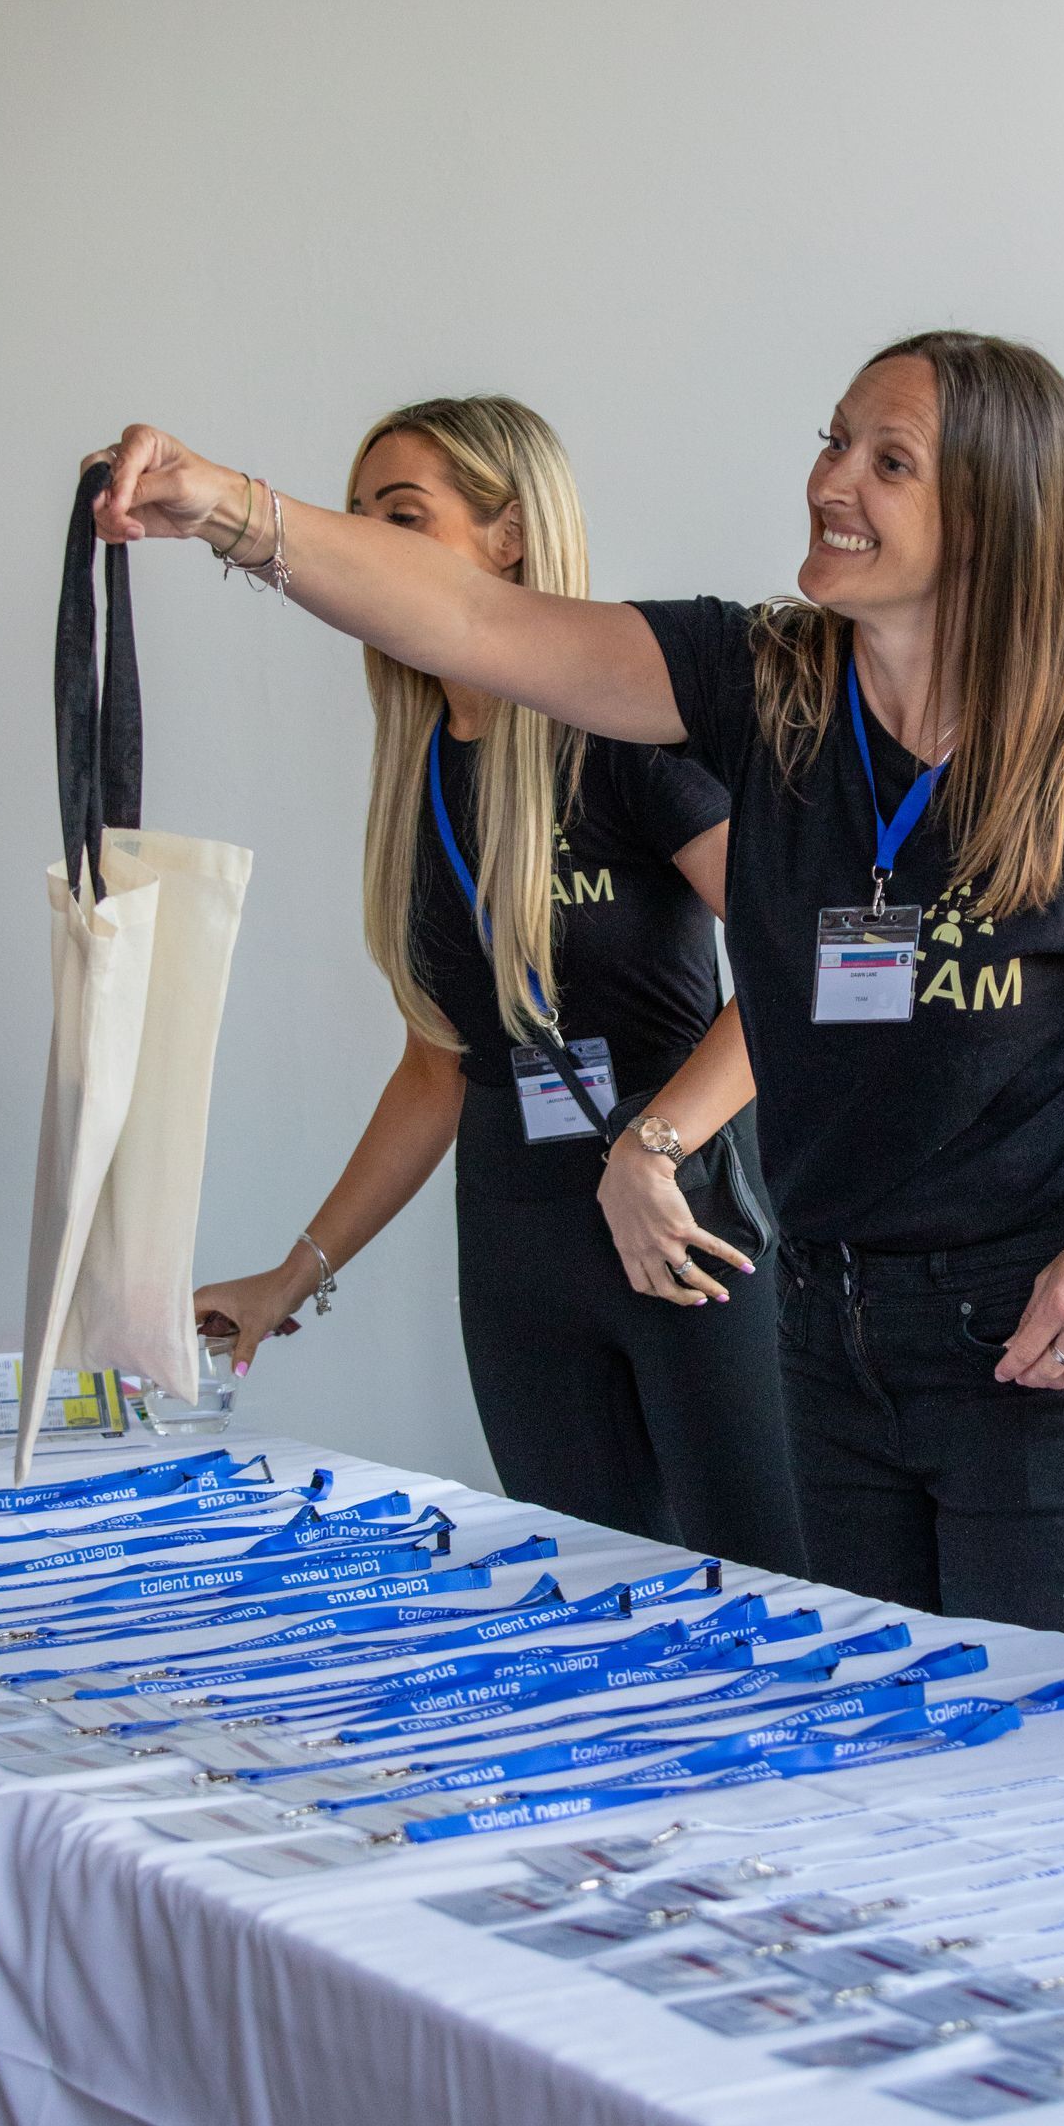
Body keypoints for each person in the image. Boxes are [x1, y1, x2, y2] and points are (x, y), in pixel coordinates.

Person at [90, 333, 1064, 1641]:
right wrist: (230, 509)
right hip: (827, 1317)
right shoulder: (759, 690)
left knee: (1018, 1740)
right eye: (834, 441)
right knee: (857, 1706)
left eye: (889, 462)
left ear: (996, 516)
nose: (834, 481)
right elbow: (478, 621)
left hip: (1031, 1328)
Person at [185, 395, 803, 1572]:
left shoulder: (619, 736)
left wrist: (655, 1145)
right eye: (353, 517)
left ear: (508, 539)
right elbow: (441, 1063)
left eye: (400, 517)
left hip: (686, 1232)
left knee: (769, 1601)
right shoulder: (417, 778)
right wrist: (291, 1276)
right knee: (596, 1609)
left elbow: (797, 967)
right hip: (521, 1260)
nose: (361, 543)